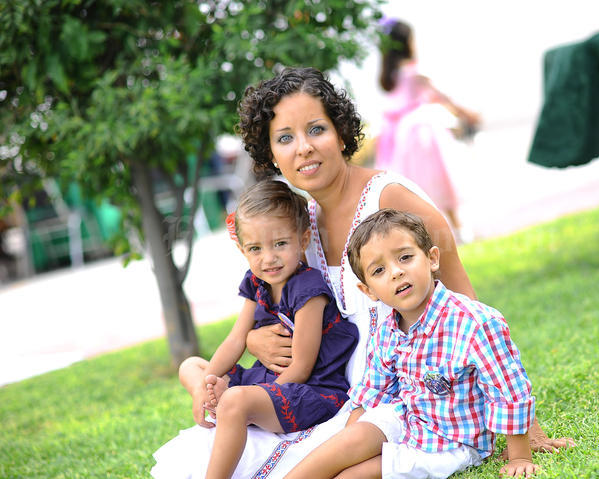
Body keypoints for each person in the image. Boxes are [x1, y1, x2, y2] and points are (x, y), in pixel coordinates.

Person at [151, 66, 572, 479]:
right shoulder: (296, 225)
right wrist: (256, 338)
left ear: (340, 131)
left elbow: (469, 308)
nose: (303, 148)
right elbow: (279, 302)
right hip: (325, 389)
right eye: (285, 138)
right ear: (271, 153)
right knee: (215, 449)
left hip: (401, 392)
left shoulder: (392, 202)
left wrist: (526, 430)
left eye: (316, 129)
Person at [286, 209, 540, 479]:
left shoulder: (475, 323)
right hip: (406, 418)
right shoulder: (388, 330)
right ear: (369, 290)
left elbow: (508, 391)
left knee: (352, 475)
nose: (396, 272)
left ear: (431, 259)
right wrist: (351, 442)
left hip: (452, 442)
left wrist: (520, 456)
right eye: (379, 270)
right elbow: (374, 390)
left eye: (405, 257)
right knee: (344, 445)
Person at [174, 179, 358, 479]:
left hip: (309, 390)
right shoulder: (256, 282)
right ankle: (212, 398)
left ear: (303, 239)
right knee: (191, 365)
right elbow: (236, 340)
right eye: (255, 248)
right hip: (268, 381)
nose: (268, 258)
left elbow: (301, 367)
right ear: (242, 249)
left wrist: (251, 397)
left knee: (235, 400)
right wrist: (209, 383)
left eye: (280, 244)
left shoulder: (308, 289)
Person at [374, 19, 481, 243]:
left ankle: (432, 236)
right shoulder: (414, 72)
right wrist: (466, 113)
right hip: (422, 133)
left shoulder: (389, 77)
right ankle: (460, 230)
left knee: (418, 187)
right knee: (442, 179)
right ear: (408, 43)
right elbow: (442, 96)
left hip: (400, 138)